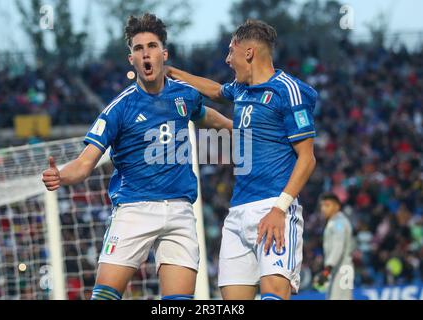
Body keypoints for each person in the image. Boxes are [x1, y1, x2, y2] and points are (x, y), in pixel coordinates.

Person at [42, 13, 232, 300]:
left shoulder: (185, 95)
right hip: (134, 209)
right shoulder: (119, 109)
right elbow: (84, 163)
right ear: (131, 58)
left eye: (152, 46)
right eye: (138, 48)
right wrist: (62, 175)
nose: (146, 53)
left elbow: (207, 117)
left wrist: (241, 128)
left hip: (181, 210)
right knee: (104, 296)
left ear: (163, 54)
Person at [166, 19, 317, 300]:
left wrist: (279, 209)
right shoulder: (240, 89)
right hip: (237, 214)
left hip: (273, 208)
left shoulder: (289, 90)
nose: (227, 59)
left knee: (274, 295)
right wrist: (173, 73)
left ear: (248, 52)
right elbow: (213, 90)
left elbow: (307, 159)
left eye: (230, 51)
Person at [314, 193, 355, 300]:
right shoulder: (334, 222)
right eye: (322, 205)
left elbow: (338, 246)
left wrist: (327, 269)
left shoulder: (339, 223)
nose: (323, 209)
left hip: (342, 270)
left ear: (337, 206)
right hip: (336, 269)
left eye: (327, 205)